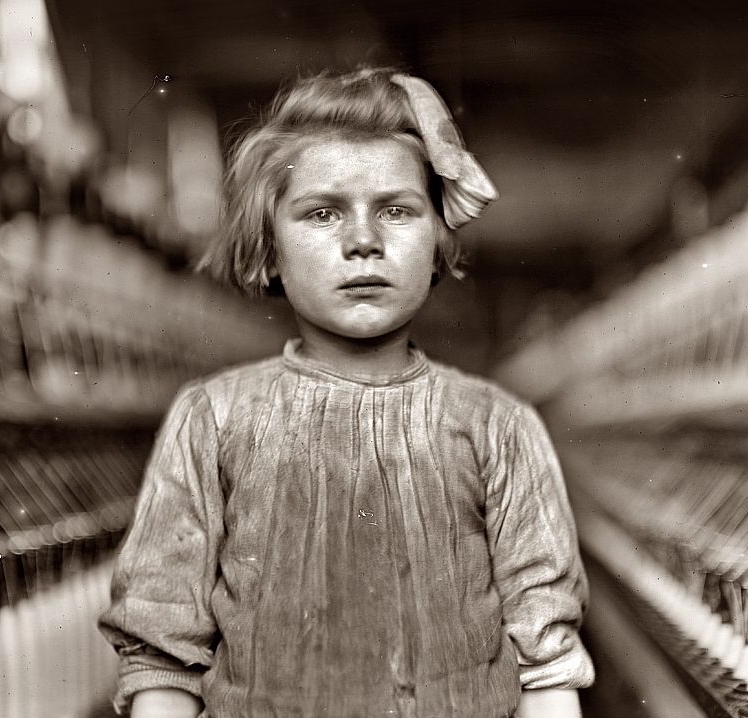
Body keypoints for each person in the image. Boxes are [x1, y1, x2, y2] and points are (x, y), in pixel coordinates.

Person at [99, 67, 595, 718]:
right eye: (323, 212)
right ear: (268, 246)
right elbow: (162, 658)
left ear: (440, 240)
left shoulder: (499, 426)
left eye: (396, 209)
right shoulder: (213, 419)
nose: (363, 241)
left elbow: (546, 667)